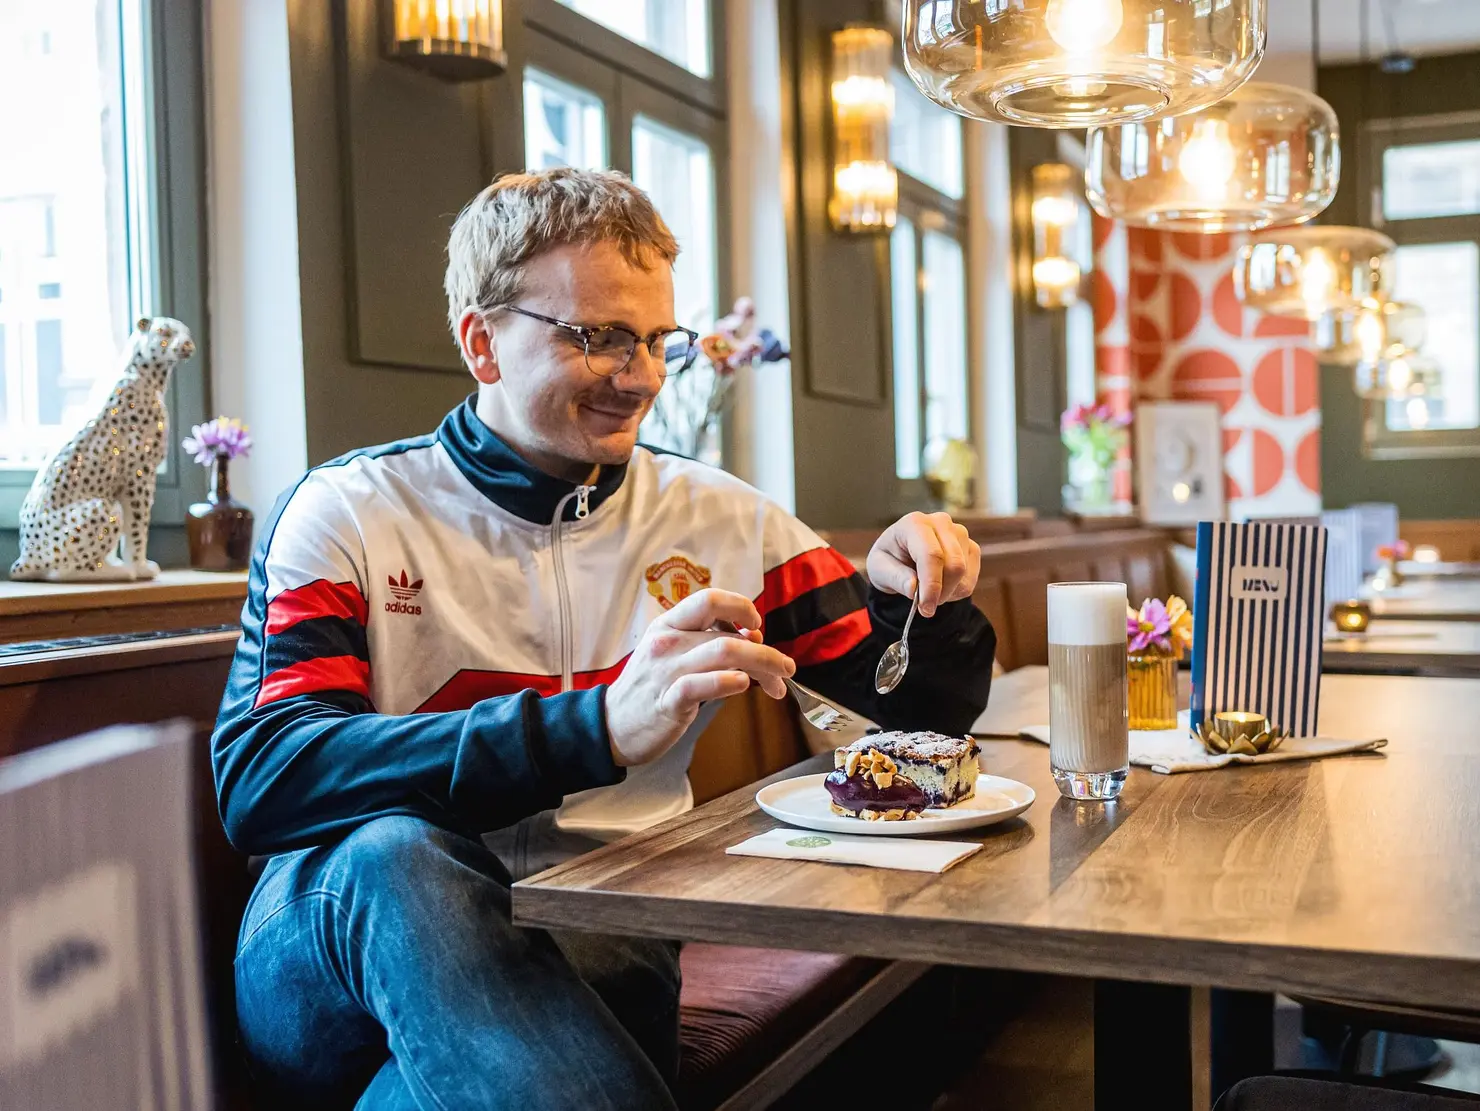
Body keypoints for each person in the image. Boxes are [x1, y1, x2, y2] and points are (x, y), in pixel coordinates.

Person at [213, 168, 996, 1110]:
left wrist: (915, 595)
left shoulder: (717, 516)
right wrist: (591, 727)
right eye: (600, 338)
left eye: (657, 340)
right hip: (334, 948)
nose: (643, 377)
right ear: (482, 342)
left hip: (601, 937)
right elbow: (265, 776)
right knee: (399, 855)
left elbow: (915, 705)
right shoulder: (349, 511)